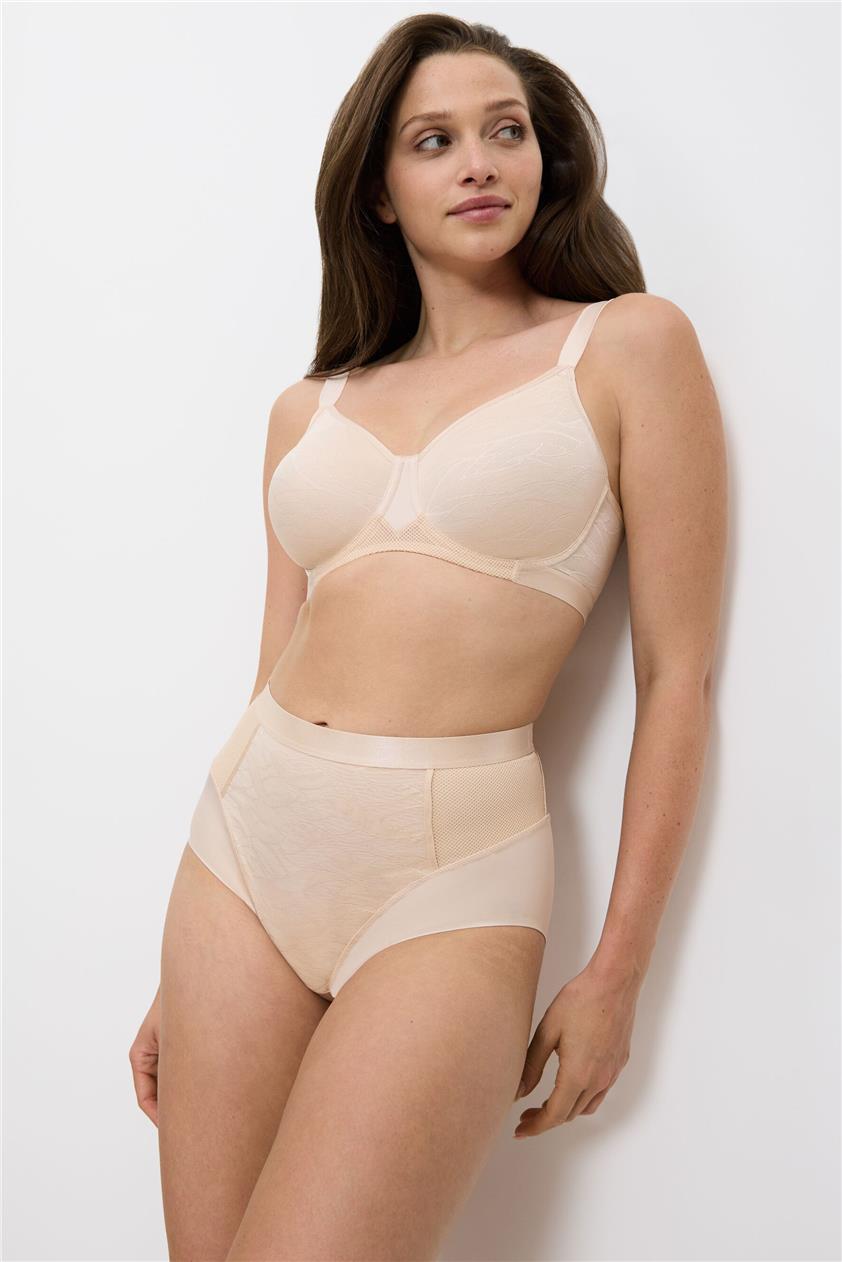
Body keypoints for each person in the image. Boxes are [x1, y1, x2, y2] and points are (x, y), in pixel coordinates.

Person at [129, 13, 727, 1261]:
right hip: (241, 851)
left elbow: (677, 675)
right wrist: (176, 979)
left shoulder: (626, 344)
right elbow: (274, 663)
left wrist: (617, 970)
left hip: (451, 870)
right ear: (378, 190)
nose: (478, 163)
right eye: (433, 140)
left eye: (504, 132)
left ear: (546, 160)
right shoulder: (308, 408)